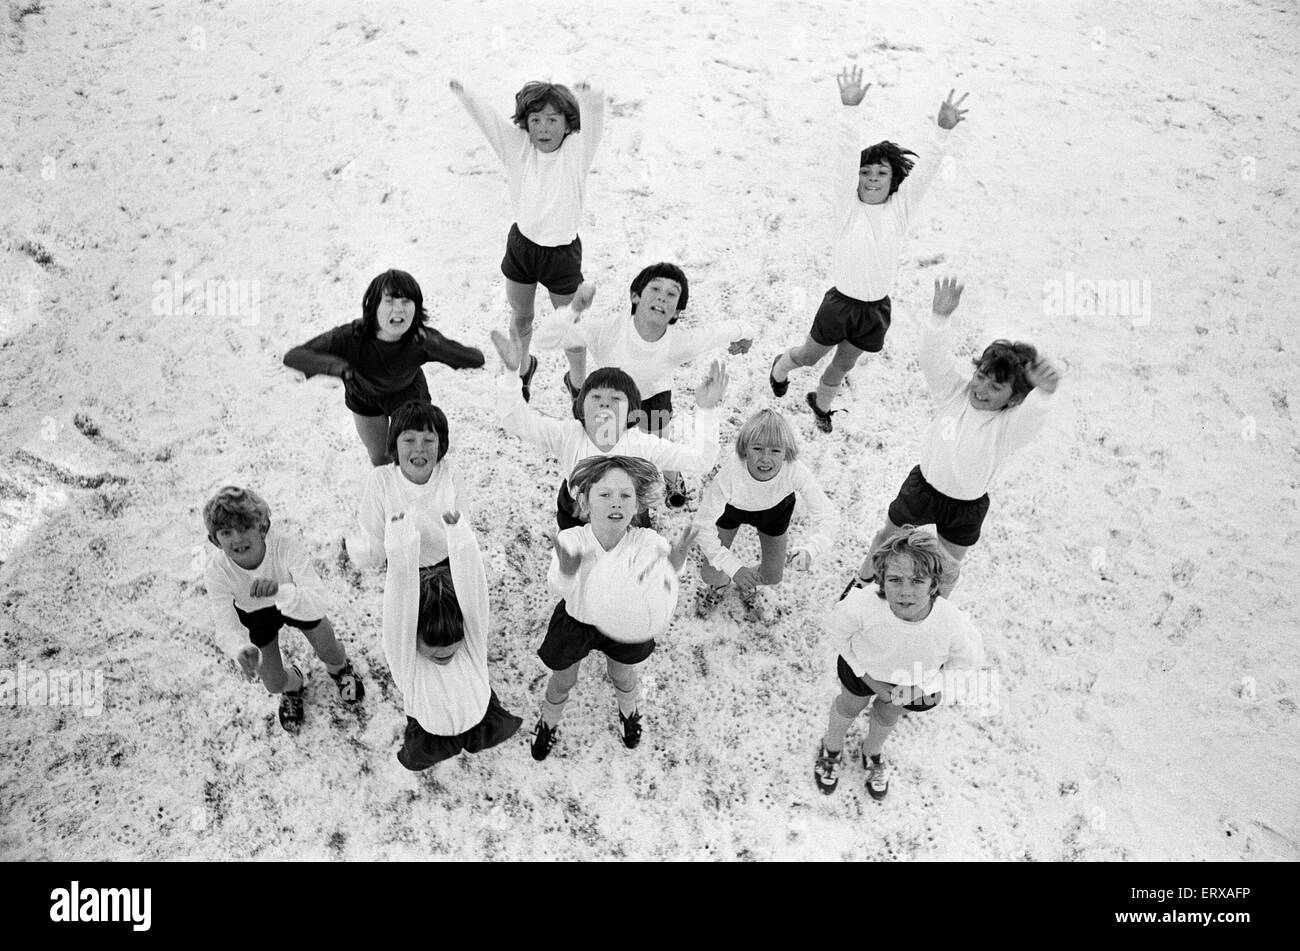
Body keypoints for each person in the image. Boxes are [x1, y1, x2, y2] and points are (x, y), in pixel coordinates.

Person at [768, 64, 968, 432]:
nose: (872, 179)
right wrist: (849, 111)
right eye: (865, 173)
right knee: (810, 357)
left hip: (875, 309)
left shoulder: (900, 210)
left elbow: (924, 175)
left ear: (894, 181)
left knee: (843, 365)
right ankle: (781, 366)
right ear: (856, 178)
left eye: (881, 174)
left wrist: (942, 131)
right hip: (840, 305)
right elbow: (846, 158)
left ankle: (821, 403)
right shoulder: (847, 211)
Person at [847, 277, 1061, 597]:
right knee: (885, 541)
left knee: (946, 569)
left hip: (966, 509)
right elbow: (933, 360)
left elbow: (1032, 419)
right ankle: (862, 582)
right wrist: (939, 317)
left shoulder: (1008, 429)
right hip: (922, 489)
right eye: (981, 376)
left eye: (995, 387)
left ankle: (936, 611)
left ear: (1014, 399)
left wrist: (1044, 394)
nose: (981, 389)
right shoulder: (954, 393)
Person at [532, 266, 753, 505]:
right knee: (612, 451)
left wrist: (747, 333)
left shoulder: (680, 343)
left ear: (676, 312)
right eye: (655, 288)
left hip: (652, 399)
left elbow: (717, 332)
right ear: (635, 296)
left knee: (662, 446)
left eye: (671, 294)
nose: (662, 296)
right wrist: (574, 308)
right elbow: (544, 340)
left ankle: (672, 478)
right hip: (612, 403)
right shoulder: (606, 330)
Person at [527, 455, 698, 761]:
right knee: (563, 680)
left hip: (624, 625)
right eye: (605, 495)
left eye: (625, 495)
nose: (615, 503)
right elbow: (557, 586)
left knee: (622, 675)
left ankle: (629, 711)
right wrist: (567, 571)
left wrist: (674, 563)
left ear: (637, 506)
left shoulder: (645, 540)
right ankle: (549, 720)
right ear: (586, 501)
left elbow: (665, 574)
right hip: (577, 623)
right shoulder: (572, 539)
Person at [450, 77, 604, 402]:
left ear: (567, 124)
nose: (543, 129)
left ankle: (578, 382)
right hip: (522, 249)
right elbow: (488, 120)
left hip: (561, 256)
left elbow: (593, 119)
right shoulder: (518, 149)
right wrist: (466, 93)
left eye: (552, 120)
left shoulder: (576, 152)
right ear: (525, 123)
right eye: (535, 120)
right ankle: (522, 370)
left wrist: (590, 98)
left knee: (570, 324)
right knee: (521, 317)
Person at [490, 329, 727, 528]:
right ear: (581, 407)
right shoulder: (567, 436)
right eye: (596, 397)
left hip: (628, 518)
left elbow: (701, 460)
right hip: (577, 516)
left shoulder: (642, 445)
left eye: (615, 399)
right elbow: (515, 420)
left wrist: (706, 410)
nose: (605, 402)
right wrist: (512, 374)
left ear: (631, 413)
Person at [814, 526, 983, 800]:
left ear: (935, 585)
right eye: (895, 580)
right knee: (849, 705)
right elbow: (837, 635)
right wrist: (868, 678)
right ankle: (831, 747)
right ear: (880, 580)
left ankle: (872, 753)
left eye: (917, 581)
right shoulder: (861, 605)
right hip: (863, 669)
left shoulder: (951, 624)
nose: (905, 592)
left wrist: (921, 688)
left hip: (912, 682)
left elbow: (967, 663)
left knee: (887, 714)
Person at [202, 486, 364, 734]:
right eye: (226, 532)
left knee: (329, 649)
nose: (237, 538)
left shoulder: (286, 547)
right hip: (254, 616)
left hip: (293, 600)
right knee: (274, 683)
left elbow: (318, 600)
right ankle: (294, 684)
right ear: (215, 539)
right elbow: (225, 622)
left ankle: (339, 668)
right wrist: (240, 648)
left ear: (263, 527)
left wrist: (281, 591)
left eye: (245, 528)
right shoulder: (217, 571)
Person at [284, 269, 484, 466]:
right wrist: (338, 367)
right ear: (373, 306)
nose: (399, 309)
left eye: (406, 301)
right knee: (380, 457)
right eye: (389, 301)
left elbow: (475, 359)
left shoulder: (421, 338)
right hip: (363, 397)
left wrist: (436, 346)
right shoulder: (349, 337)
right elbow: (294, 357)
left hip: (410, 396)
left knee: (419, 457)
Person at [378, 507, 522, 771]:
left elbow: (473, 592)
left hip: (481, 721)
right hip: (432, 736)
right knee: (416, 759)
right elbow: (398, 608)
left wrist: (462, 540)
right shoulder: (407, 663)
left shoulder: (471, 645)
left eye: (453, 639)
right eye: (432, 642)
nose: (445, 649)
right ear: (412, 634)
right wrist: (399, 544)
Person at [693, 408, 838, 620]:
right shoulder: (730, 475)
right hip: (731, 510)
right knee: (709, 574)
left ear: (787, 452)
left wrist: (811, 549)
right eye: (757, 448)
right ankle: (722, 584)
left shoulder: (795, 471)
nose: (765, 459)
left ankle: (748, 584)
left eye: (775, 451)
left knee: (772, 576)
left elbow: (828, 516)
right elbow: (701, 526)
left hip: (775, 511)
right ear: (744, 449)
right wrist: (734, 568)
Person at [345, 401, 471, 572]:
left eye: (428, 440)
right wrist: (357, 551)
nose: (419, 448)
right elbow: (375, 551)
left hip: (445, 562)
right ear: (394, 445)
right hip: (401, 566)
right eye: (409, 440)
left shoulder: (450, 473)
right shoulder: (381, 480)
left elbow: (464, 533)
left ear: (440, 445)